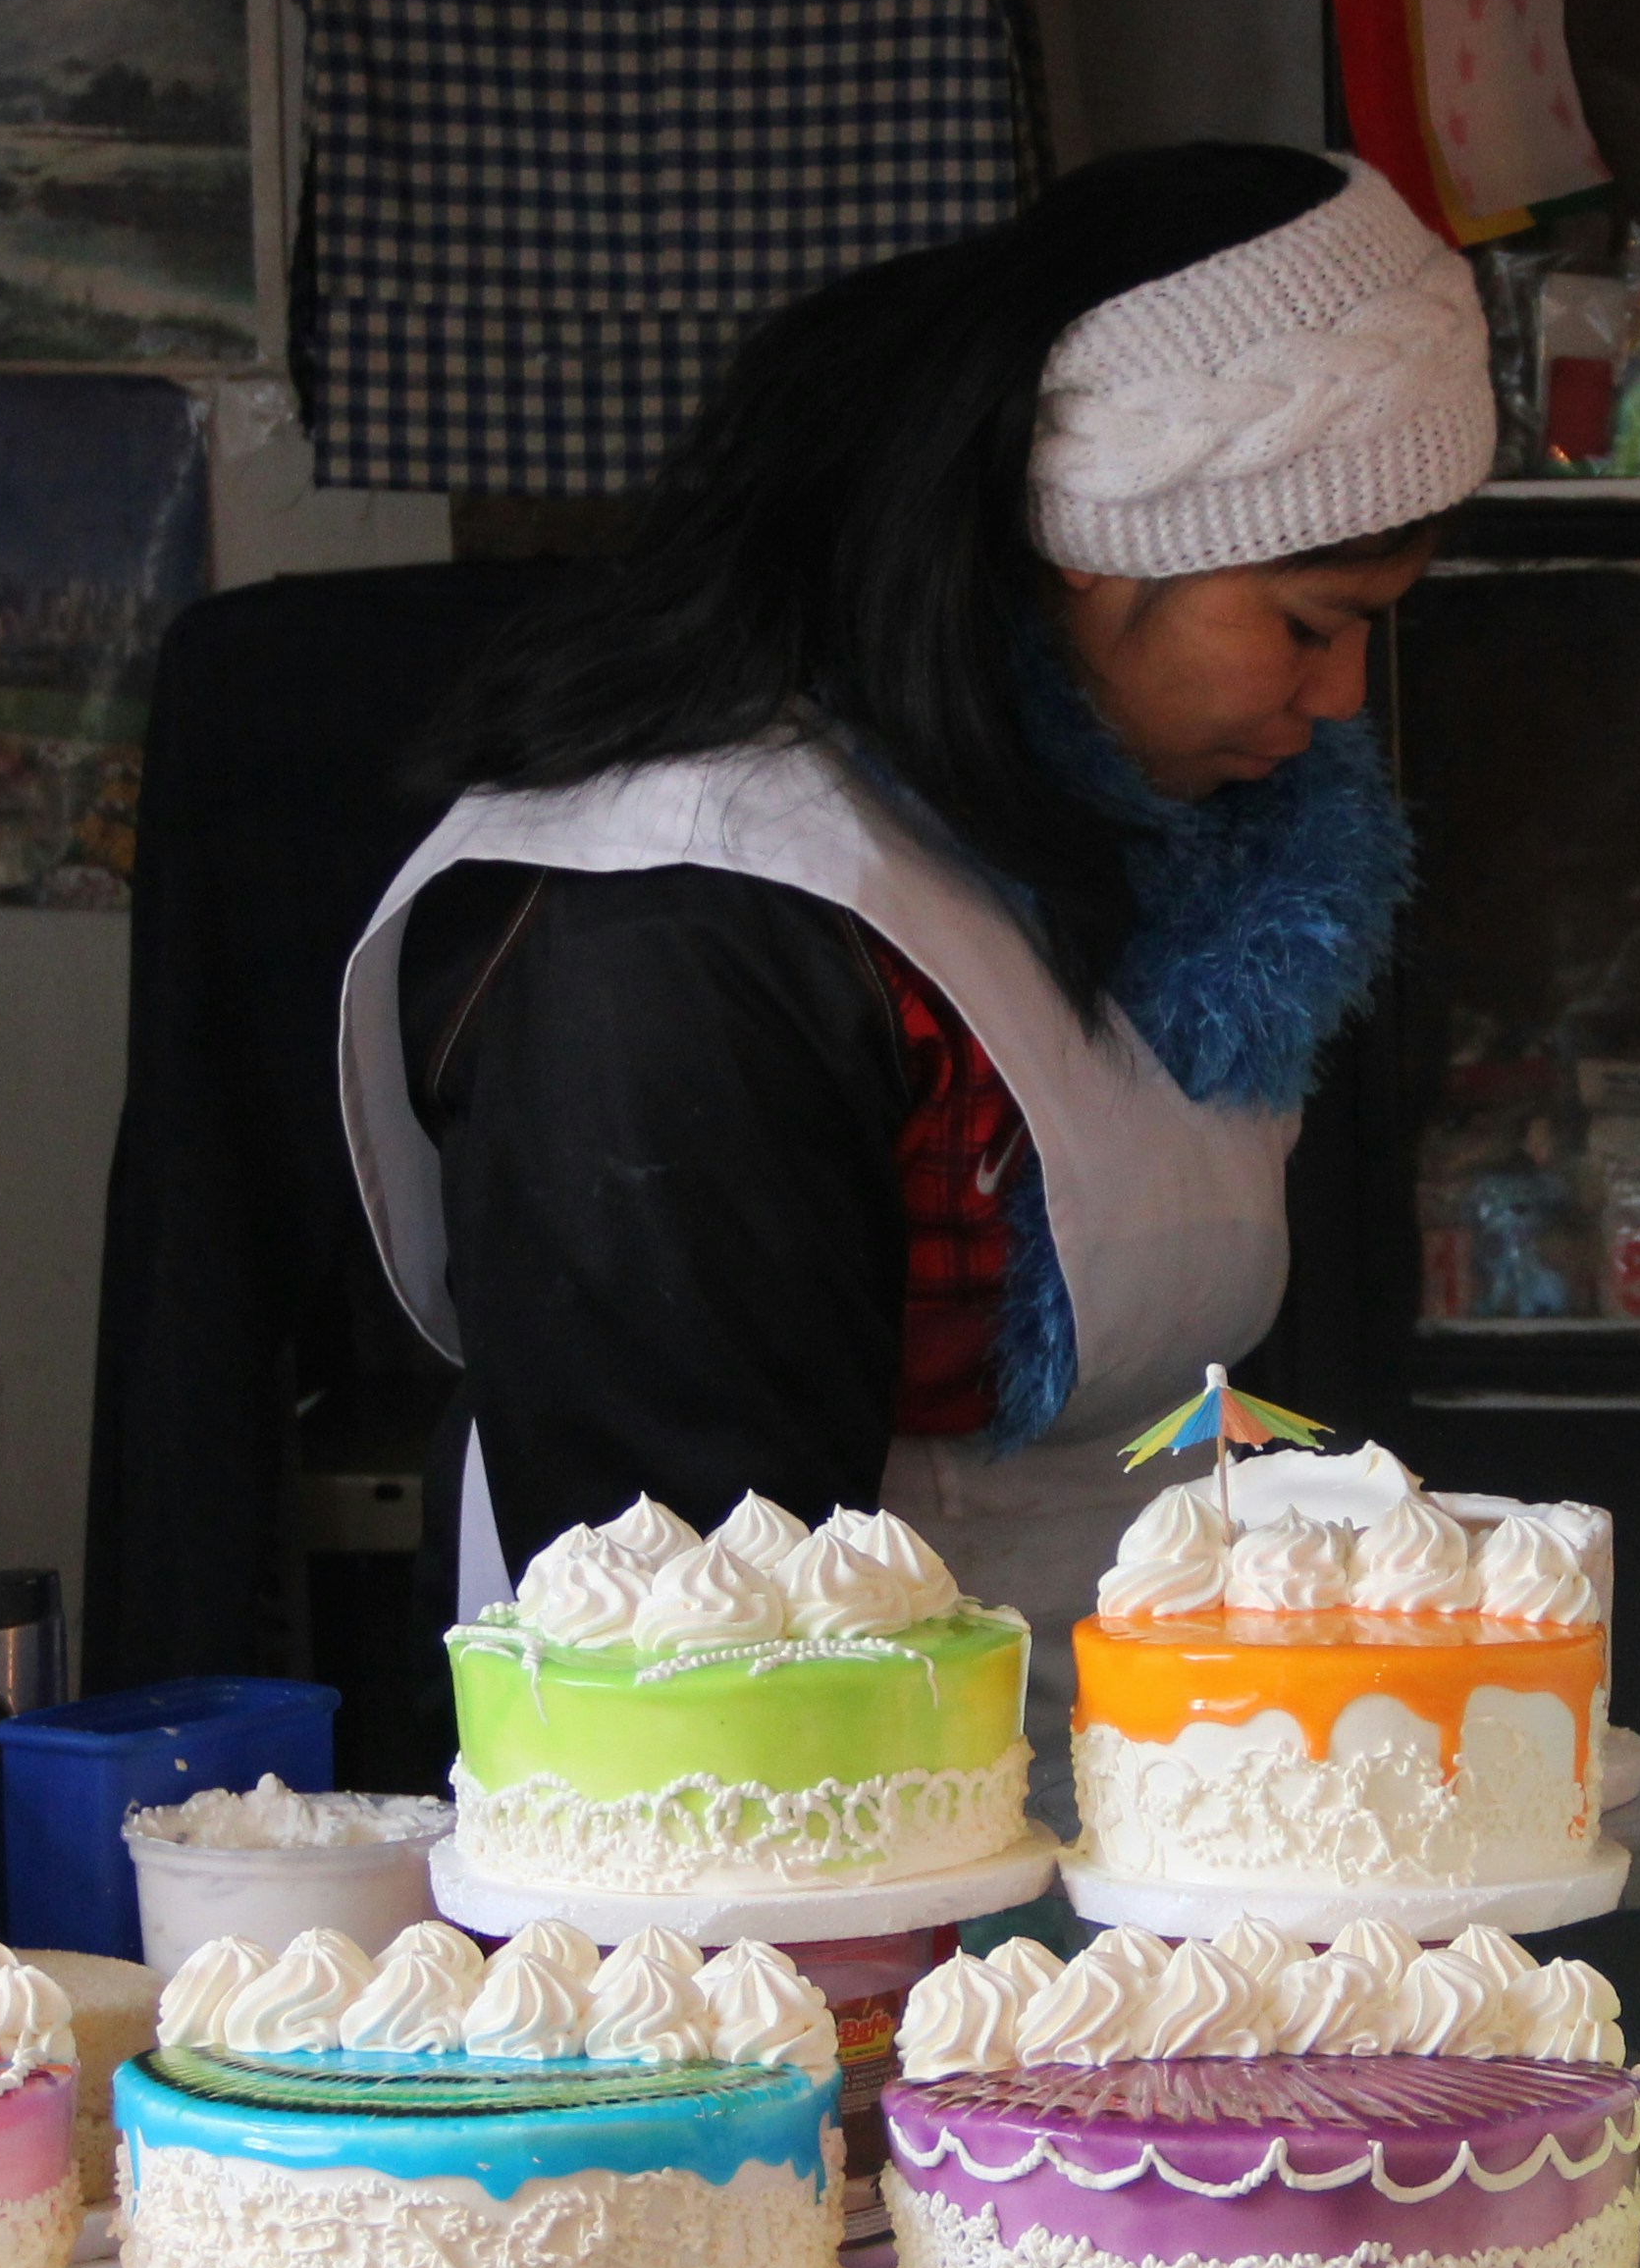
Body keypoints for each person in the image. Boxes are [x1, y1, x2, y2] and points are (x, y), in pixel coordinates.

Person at [333, 143, 1492, 1705]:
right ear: (1097, 533)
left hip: (1124, 1779)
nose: (1342, 699)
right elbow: (702, 1630)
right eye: (1306, 625)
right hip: (794, 1820)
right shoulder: (690, 926)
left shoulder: (1176, 848)